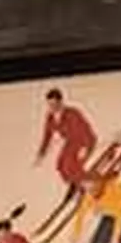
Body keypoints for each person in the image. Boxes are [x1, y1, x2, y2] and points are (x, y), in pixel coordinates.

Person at [37, 88, 99, 223]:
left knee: (70, 165)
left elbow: (83, 130)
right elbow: (47, 136)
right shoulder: (50, 117)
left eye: (55, 104)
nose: (52, 107)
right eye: (50, 105)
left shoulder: (72, 113)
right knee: (60, 165)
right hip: (72, 141)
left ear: (61, 102)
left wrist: (84, 149)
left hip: (85, 139)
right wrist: (41, 154)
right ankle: (78, 184)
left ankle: (90, 188)